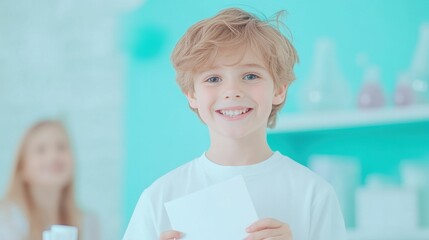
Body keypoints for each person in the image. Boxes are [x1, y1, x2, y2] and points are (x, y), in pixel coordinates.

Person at [123, 7, 346, 240]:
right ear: (192, 95)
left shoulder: (314, 194)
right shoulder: (159, 197)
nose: (231, 91)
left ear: (279, 90)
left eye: (250, 76)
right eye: (213, 79)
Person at [0, 120, 100, 240]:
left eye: (61, 147)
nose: (54, 156)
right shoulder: (6, 220)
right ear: (22, 168)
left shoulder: (88, 224)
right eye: (41, 149)